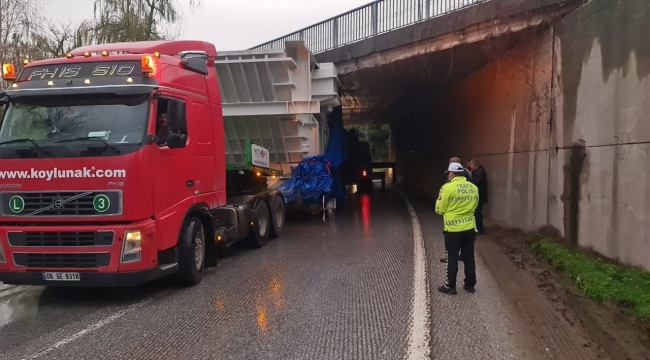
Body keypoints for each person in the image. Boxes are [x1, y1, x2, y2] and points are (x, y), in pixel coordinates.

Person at [436, 162, 479, 295]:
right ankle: (470, 285)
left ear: (452, 174)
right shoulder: (473, 187)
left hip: (453, 229)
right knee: (469, 256)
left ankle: (450, 285)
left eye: (449, 173)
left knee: (452, 257)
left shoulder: (447, 187)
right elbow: (475, 205)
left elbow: (439, 209)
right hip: (470, 228)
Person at [440, 156, 471, 263]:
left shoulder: (452, 176)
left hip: (454, 212)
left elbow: (447, 191)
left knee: (452, 239)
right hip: (466, 212)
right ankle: (462, 255)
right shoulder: (468, 174)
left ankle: (450, 257)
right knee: (464, 236)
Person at [467, 158, 488, 235]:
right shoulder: (478, 171)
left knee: (477, 213)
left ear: (473, 164)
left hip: (479, 196)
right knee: (476, 212)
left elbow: (474, 182)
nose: (469, 166)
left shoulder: (479, 172)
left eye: (470, 164)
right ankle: (477, 228)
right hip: (478, 195)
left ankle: (480, 229)